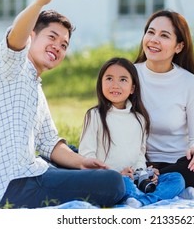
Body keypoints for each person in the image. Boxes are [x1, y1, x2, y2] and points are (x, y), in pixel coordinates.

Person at [0, 0, 125, 209]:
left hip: (25, 176)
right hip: (12, 185)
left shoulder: (36, 89)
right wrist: (42, 0)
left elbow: (50, 143)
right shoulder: (9, 65)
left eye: (64, 45)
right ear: (32, 36)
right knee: (113, 183)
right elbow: (16, 37)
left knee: (72, 154)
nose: (57, 47)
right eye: (52, 37)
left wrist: (82, 163)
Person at [78, 57, 185, 207]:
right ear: (101, 83)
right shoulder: (94, 115)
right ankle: (151, 197)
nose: (115, 85)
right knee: (124, 184)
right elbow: (86, 157)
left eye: (123, 80)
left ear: (133, 88)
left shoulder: (140, 119)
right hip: (110, 180)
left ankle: (142, 200)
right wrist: (115, 174)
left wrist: (144, 173)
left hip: (133, 178)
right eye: (109, 78)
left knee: (177, 178)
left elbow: (139, 154)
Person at [134, 10, 194, 199]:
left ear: (179, 46)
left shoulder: (191, 84)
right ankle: (169, 189)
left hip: (176, 164)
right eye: (150, 32)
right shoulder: (129, 75)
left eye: (164, 35)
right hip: (138, 163)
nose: (154, 39)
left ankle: (149, 188)